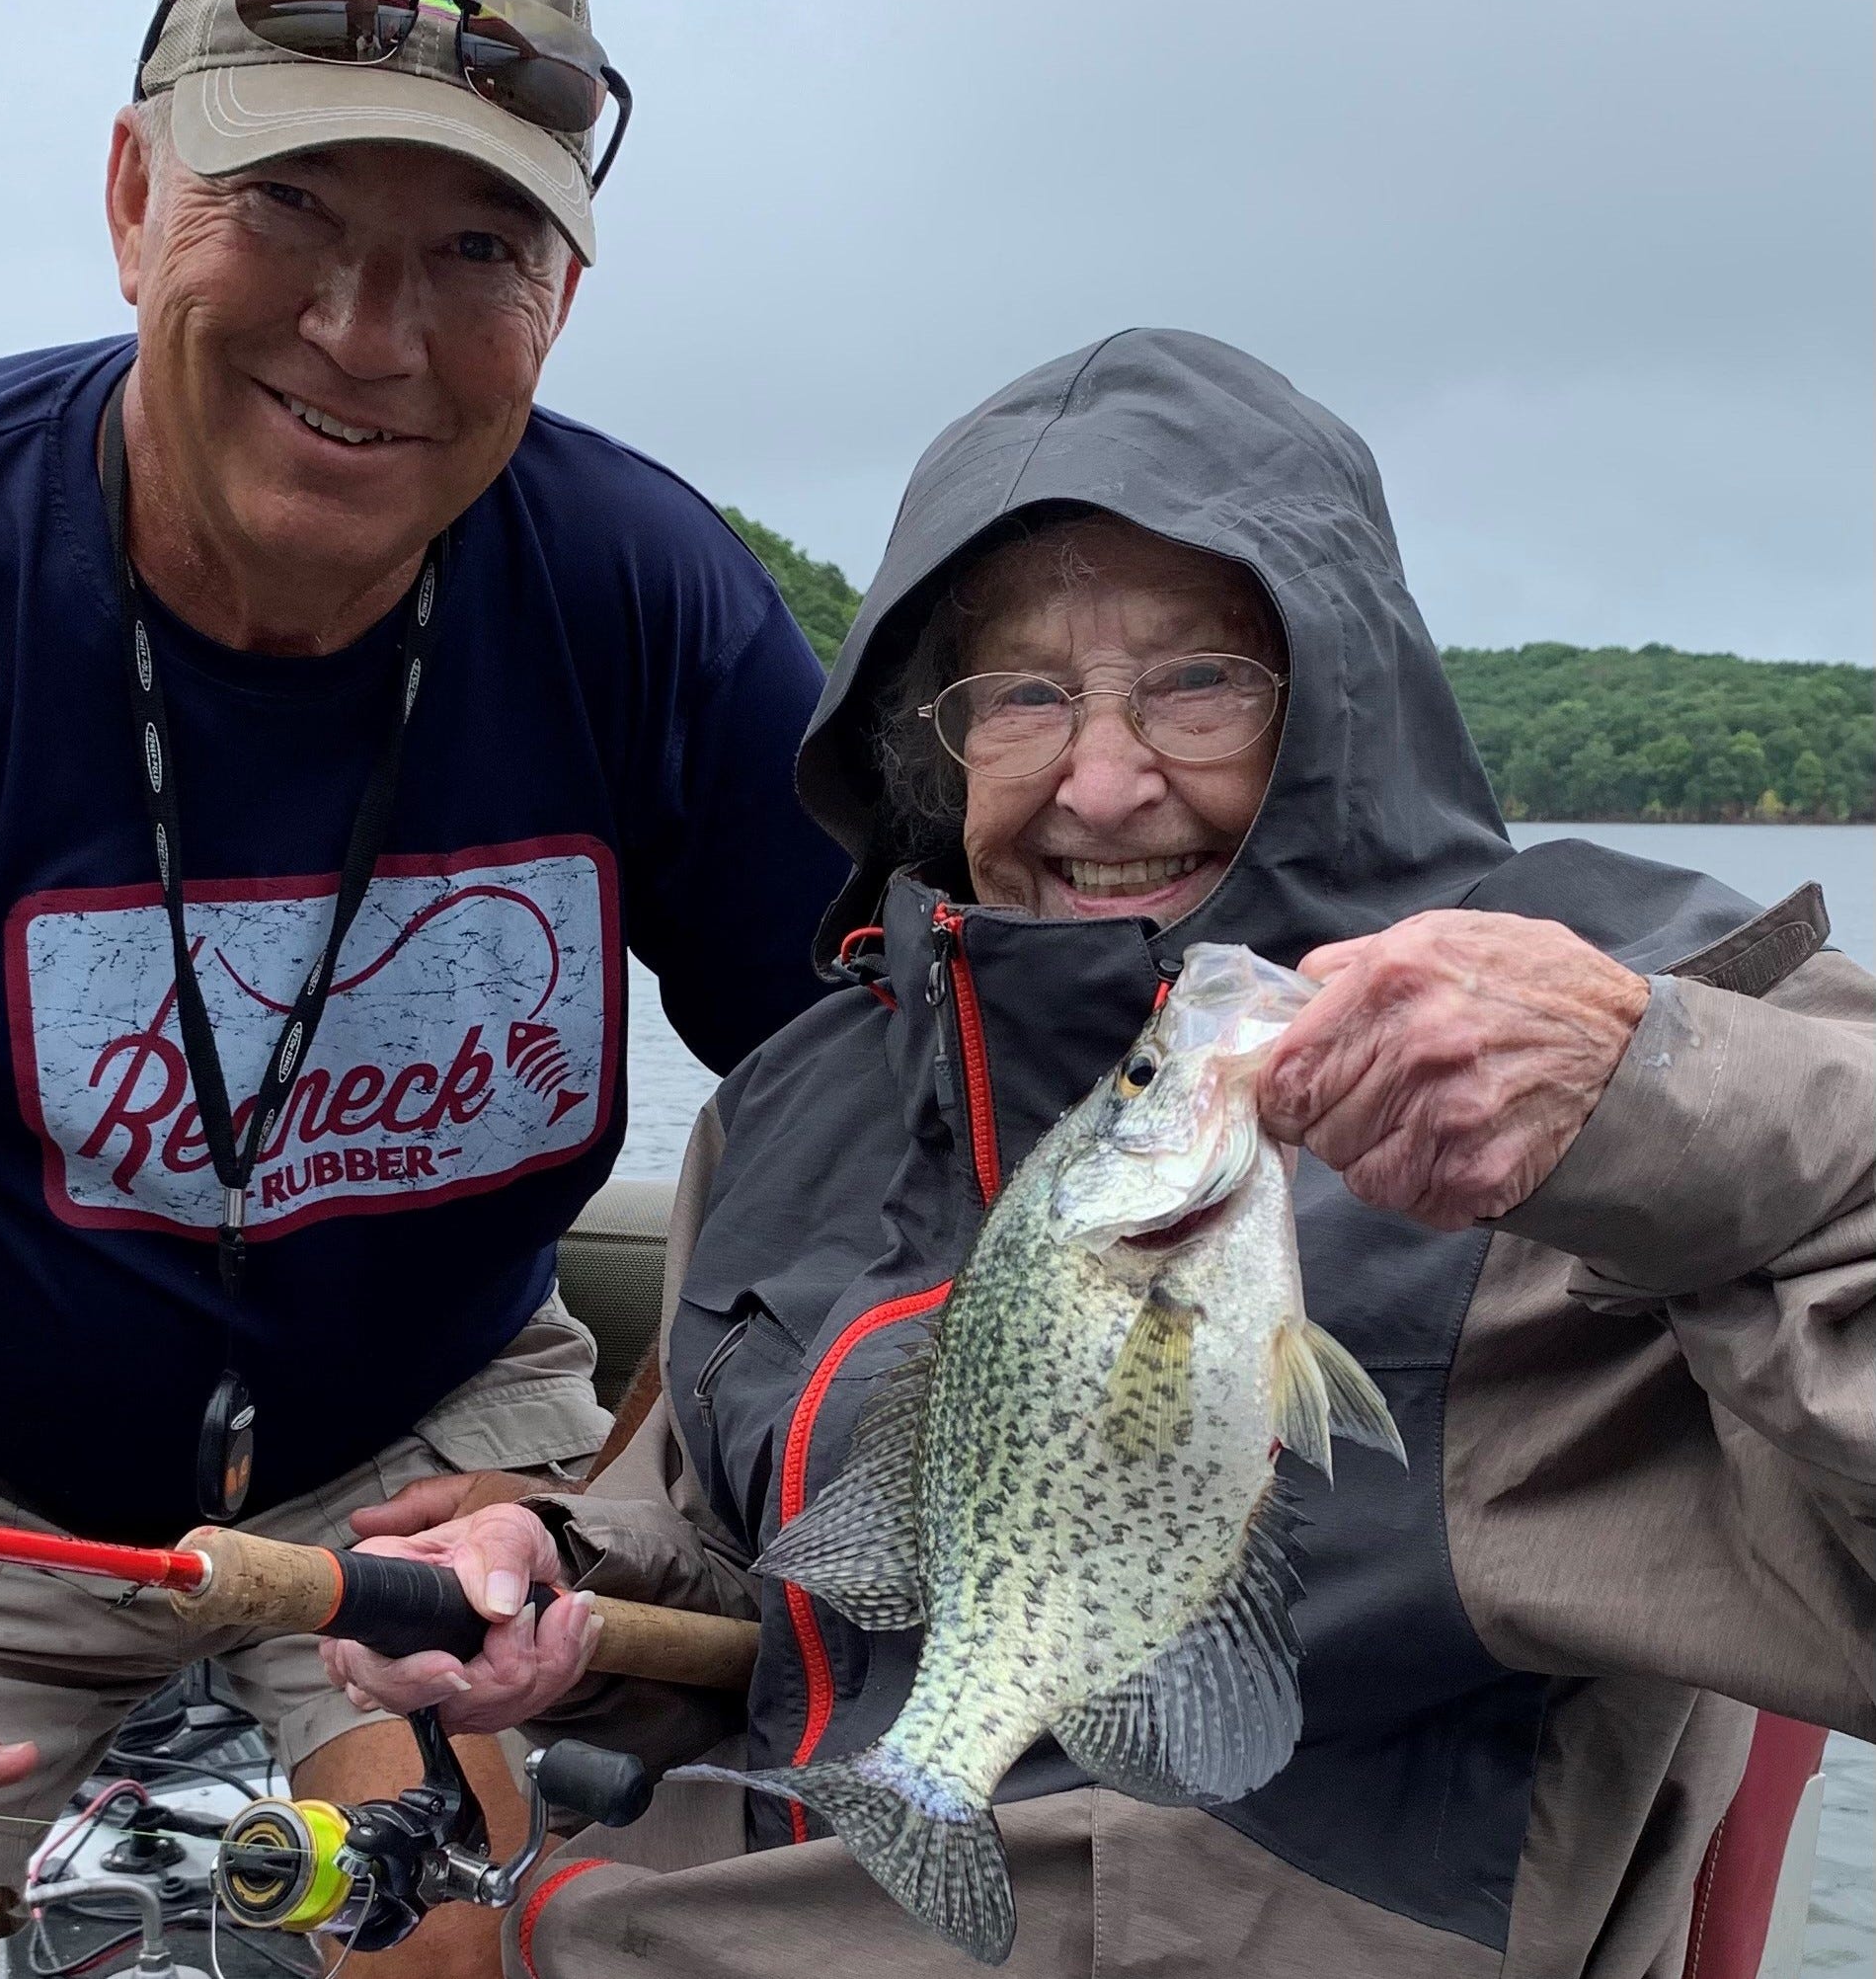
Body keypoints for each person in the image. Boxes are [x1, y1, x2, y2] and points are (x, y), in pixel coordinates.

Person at [329, 330, 1875, 1978]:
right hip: (672, 1910)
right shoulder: (798, 1097)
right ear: (936, 740)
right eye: (1028, 694)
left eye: (1201, 679)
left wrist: (1639, 1098)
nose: (1110, 779)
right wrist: (555, 1585)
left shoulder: (1623, 1005)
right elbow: (751, 1574)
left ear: (1343, 693)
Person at [0, 0, 846, 1977]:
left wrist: (612, 1495)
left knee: (471, 1948)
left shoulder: (648, 598)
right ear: (133, 188)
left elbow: (859, 1104)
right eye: (290, 214)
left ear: (562, 296)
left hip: (432, 1446)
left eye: (473, 250)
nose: (372, 334)